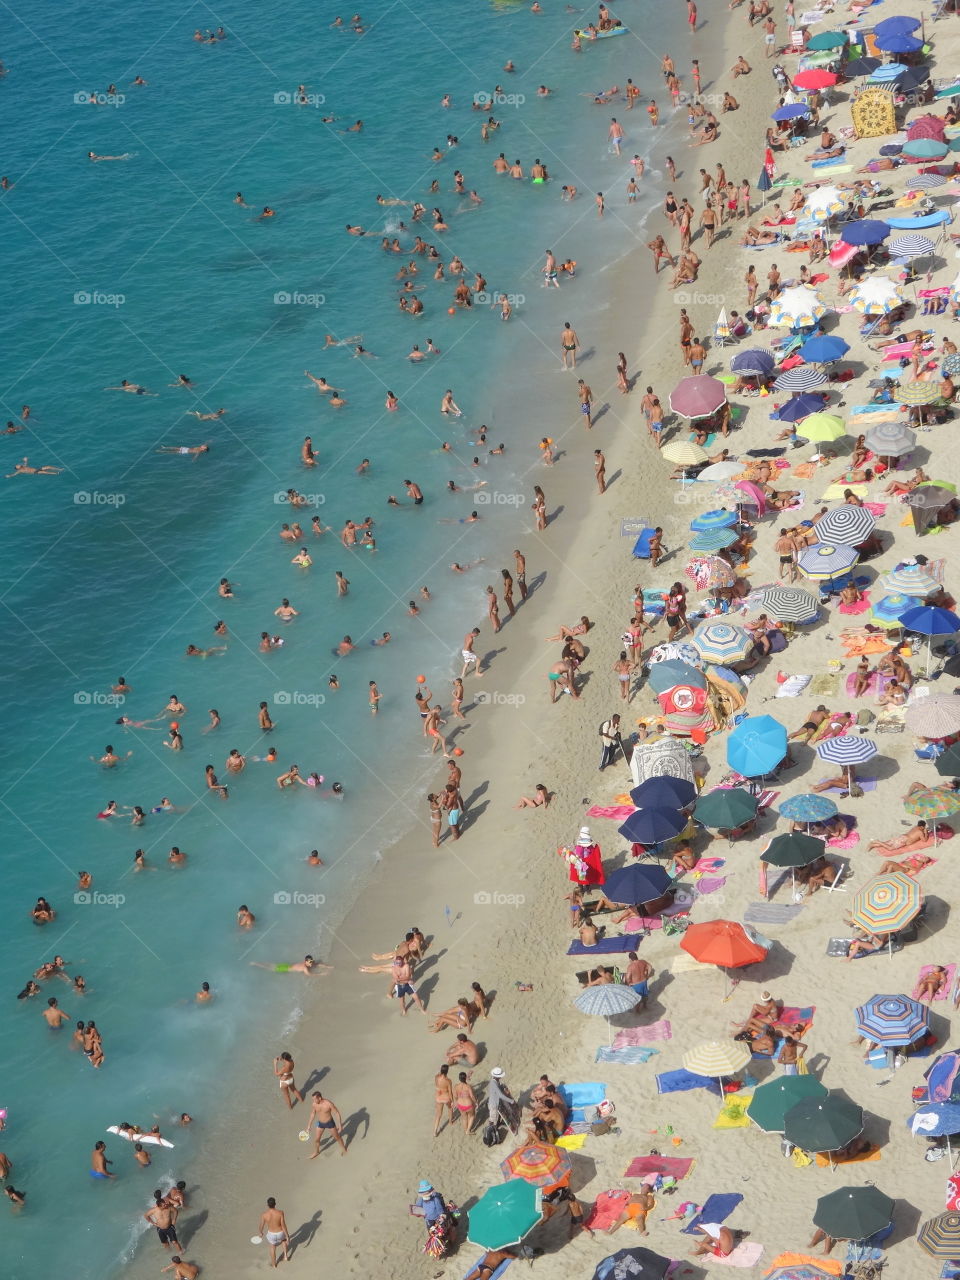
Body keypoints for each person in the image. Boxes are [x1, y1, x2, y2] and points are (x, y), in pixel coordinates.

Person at [307, 1091, 348, 1156]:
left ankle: (343, 1148)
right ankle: (316, 1152)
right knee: (317, 1140)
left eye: (315, 1099)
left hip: (329, 1123)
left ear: (319, 1098)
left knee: (337, 1137)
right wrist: (309, 1126)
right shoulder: (314, 1104)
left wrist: (340, 1125)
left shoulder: (328, 1104)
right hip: (320, 1124)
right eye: (313, 1099)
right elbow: (312, 1114)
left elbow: (336, 1113)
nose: (313, 1101)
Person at [258, 1197, 290, 1268]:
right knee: (283, 1240)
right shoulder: (280, 1212)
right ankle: (285, 1256)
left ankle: (274, 1264)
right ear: (275, 1204)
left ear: (267, 1205)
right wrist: (287, 1236)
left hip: (271, 1234)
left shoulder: (264, 1215)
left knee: (272, 1247)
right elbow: (283, 1225)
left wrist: (260, 1232)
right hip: (280, 1233)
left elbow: (261, 1226)